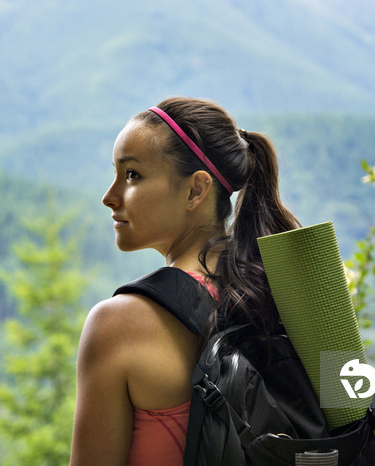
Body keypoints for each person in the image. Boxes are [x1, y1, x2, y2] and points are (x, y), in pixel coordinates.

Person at [69, 97, 299, 465]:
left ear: (196, 189)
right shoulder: (280, 295)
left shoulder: (118, 325)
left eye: (132, 175)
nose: (109, 197)